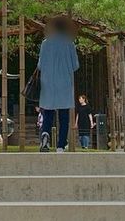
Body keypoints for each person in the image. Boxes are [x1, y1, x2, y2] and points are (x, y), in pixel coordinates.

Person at [37, 16, 79, 152]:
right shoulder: (70, 44)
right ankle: (61, 145)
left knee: (47, 111)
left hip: (48, 81)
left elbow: (40, 65)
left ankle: (45, 135)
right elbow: (75, 65)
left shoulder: (45, 43)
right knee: (64, 114)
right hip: (64, 82)